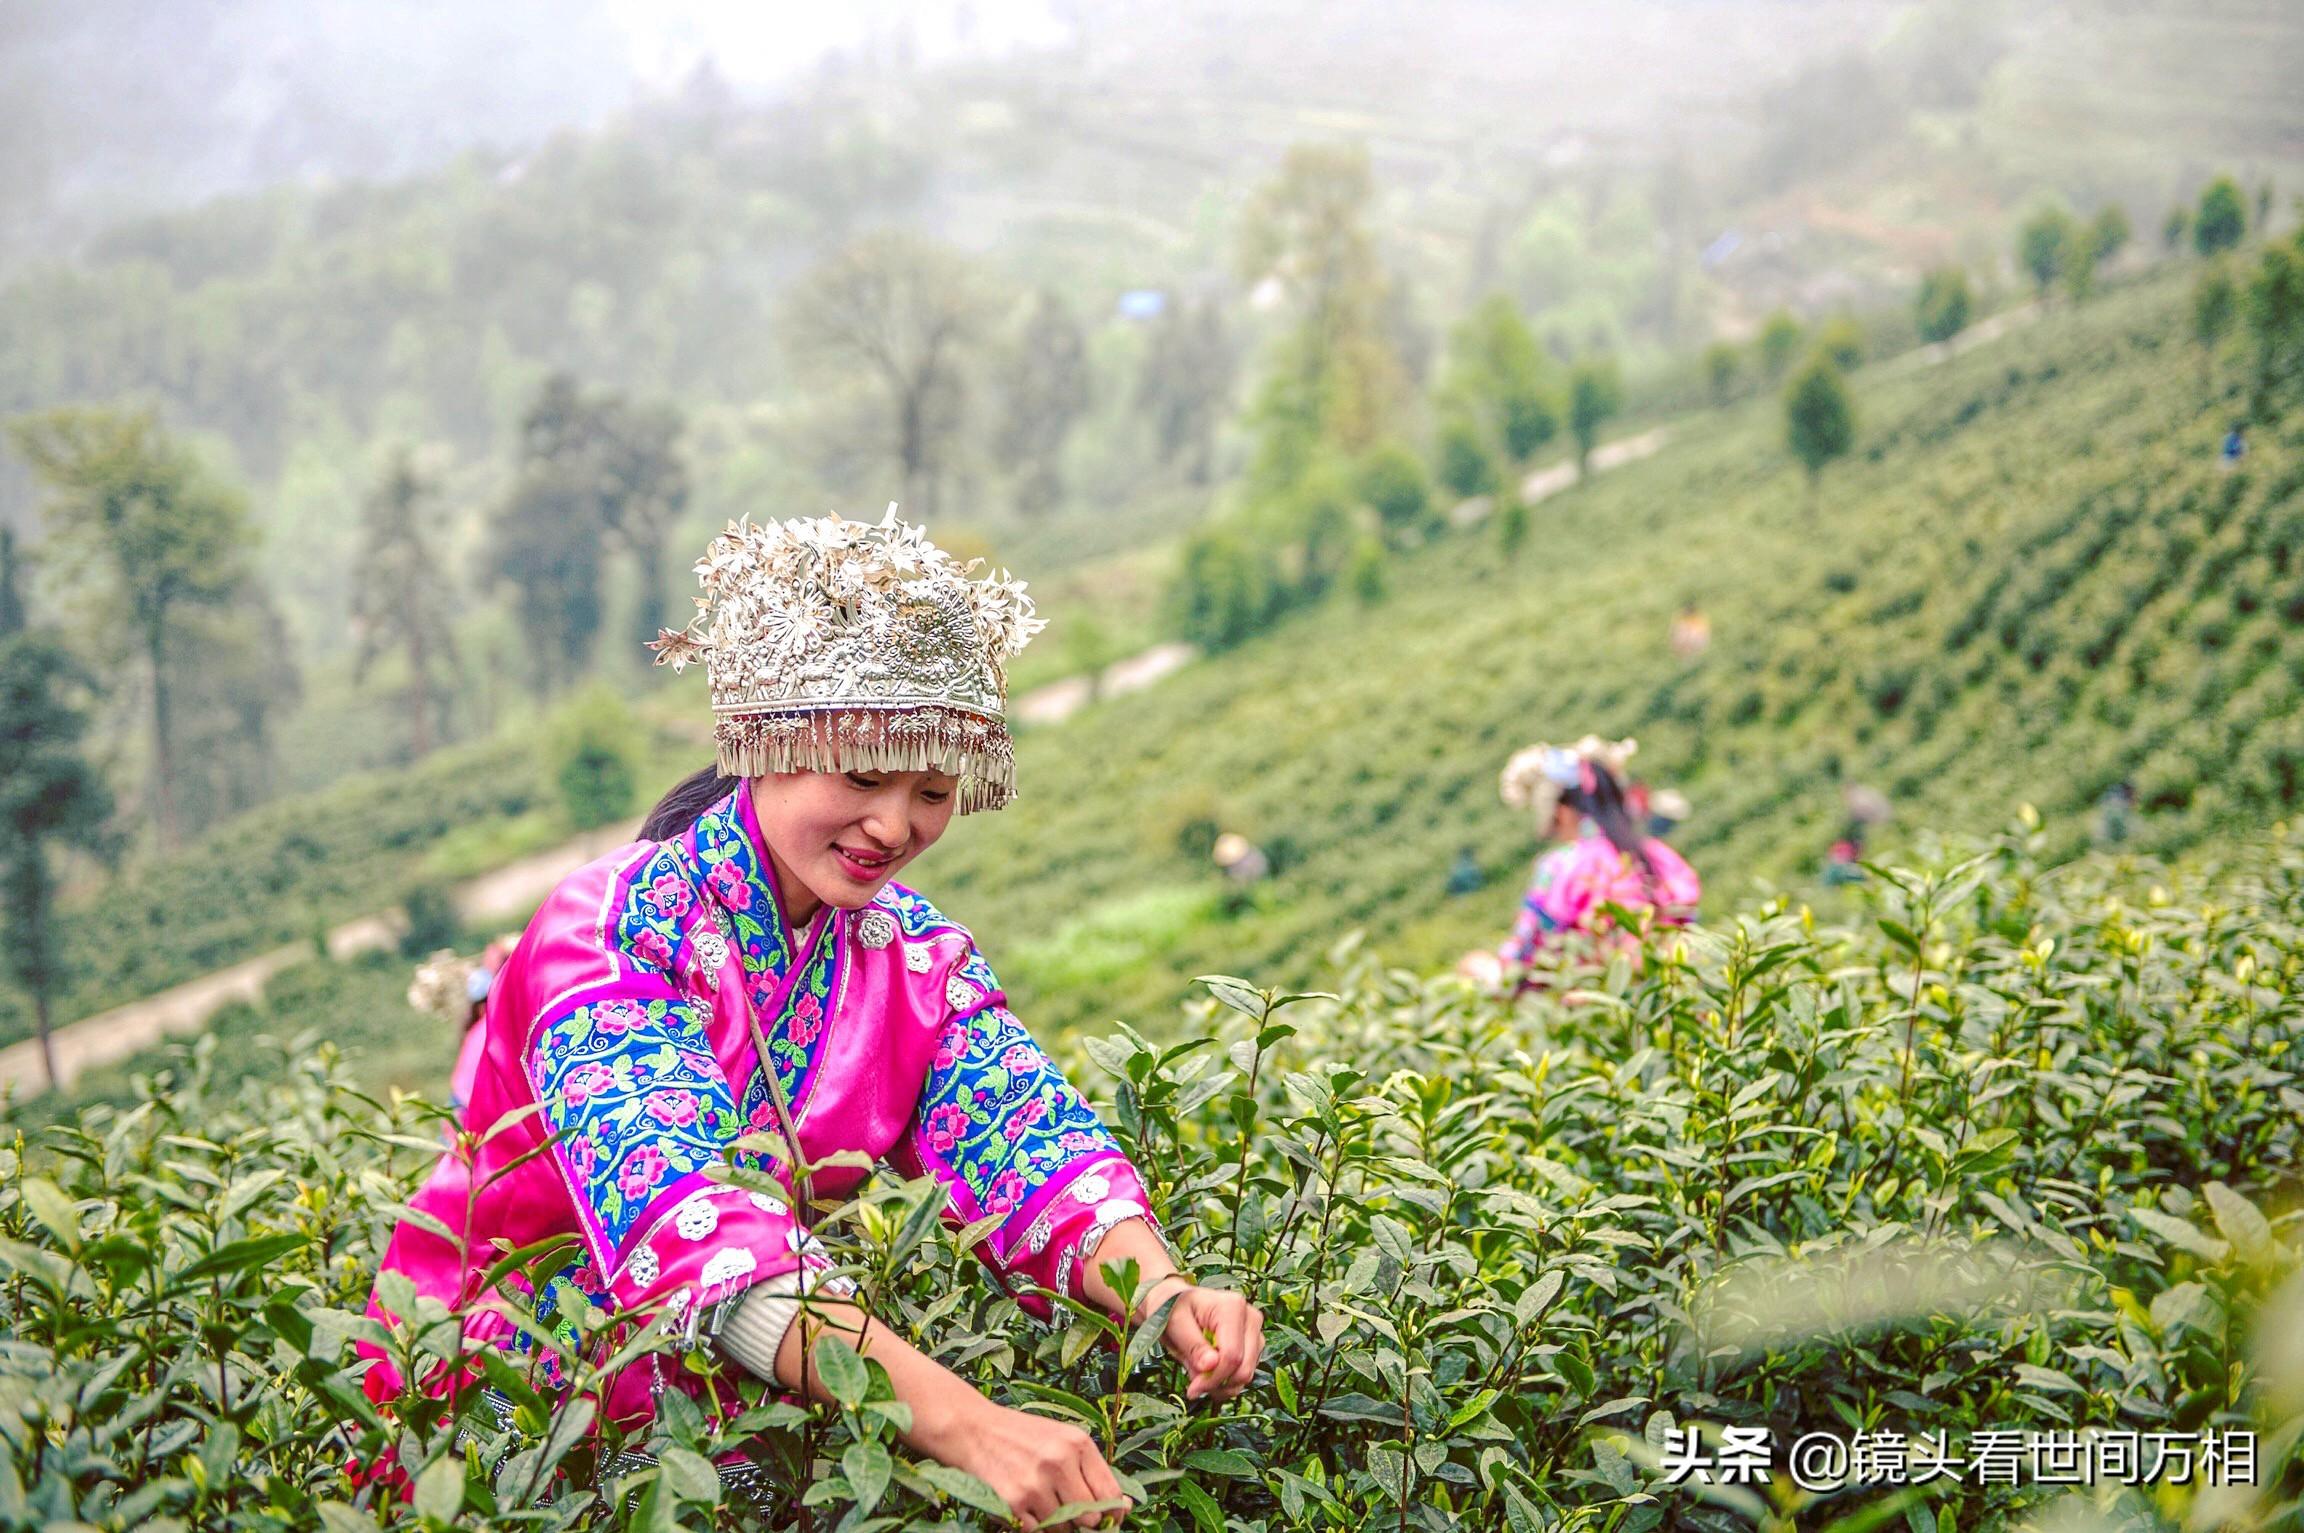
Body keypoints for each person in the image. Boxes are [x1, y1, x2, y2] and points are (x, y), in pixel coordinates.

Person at [361, 507, 1261, 1528]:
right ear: (766, 740)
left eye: (932, 790)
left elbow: (1028, 1142)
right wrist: (972, 1427)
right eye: (865, 776)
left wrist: (1164, 1295)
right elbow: (691, 1222)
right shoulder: (609, 933)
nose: (895, 825)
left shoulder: (910, 955)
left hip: (735, 1421)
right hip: (500, 1417)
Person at [1463, 735, 1700, 986]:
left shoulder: (1561, 867)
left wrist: (1484, 970)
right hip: (1674, 993)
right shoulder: (1660, 856)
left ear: (1562, 813)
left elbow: (1525, 956)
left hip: (1603, 1001)